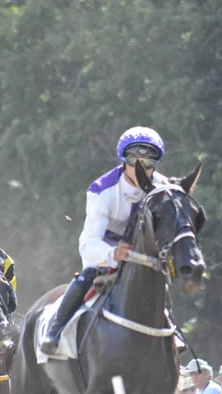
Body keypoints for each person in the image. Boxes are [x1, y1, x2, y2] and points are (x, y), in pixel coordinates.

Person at [40, 126, 168, 354]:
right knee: (88, 273)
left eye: (147, 163)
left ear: (156, 164)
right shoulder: (102, 190)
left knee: (159, 279)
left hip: (141, 251)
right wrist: (112, 254)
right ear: (122, 160)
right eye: (133, 160)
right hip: (106, 249)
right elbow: (88, 243)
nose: (140, 169)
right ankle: (55, 329)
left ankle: (171, 332)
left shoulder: (163, 188)